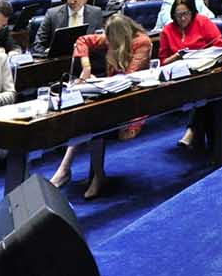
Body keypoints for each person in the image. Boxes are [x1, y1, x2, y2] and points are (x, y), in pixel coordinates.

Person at [49, 15, 153, 196]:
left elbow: (128, 77)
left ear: (122, 35)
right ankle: (77, 172)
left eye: (112, 39)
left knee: (94, 119)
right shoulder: (114, 38)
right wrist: (87, 67)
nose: (108, 43)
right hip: (111, 97)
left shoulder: (142, 42)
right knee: (89, 116)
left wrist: (101, 81)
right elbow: (82, 40)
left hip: (134, 102)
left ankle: (80, 173)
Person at [35, 0, 105, 54]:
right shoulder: (52, 14)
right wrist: (48, 53)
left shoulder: (96, 13)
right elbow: (37, 45)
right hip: (60, 60)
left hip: (87, 58)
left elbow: (99, 42)